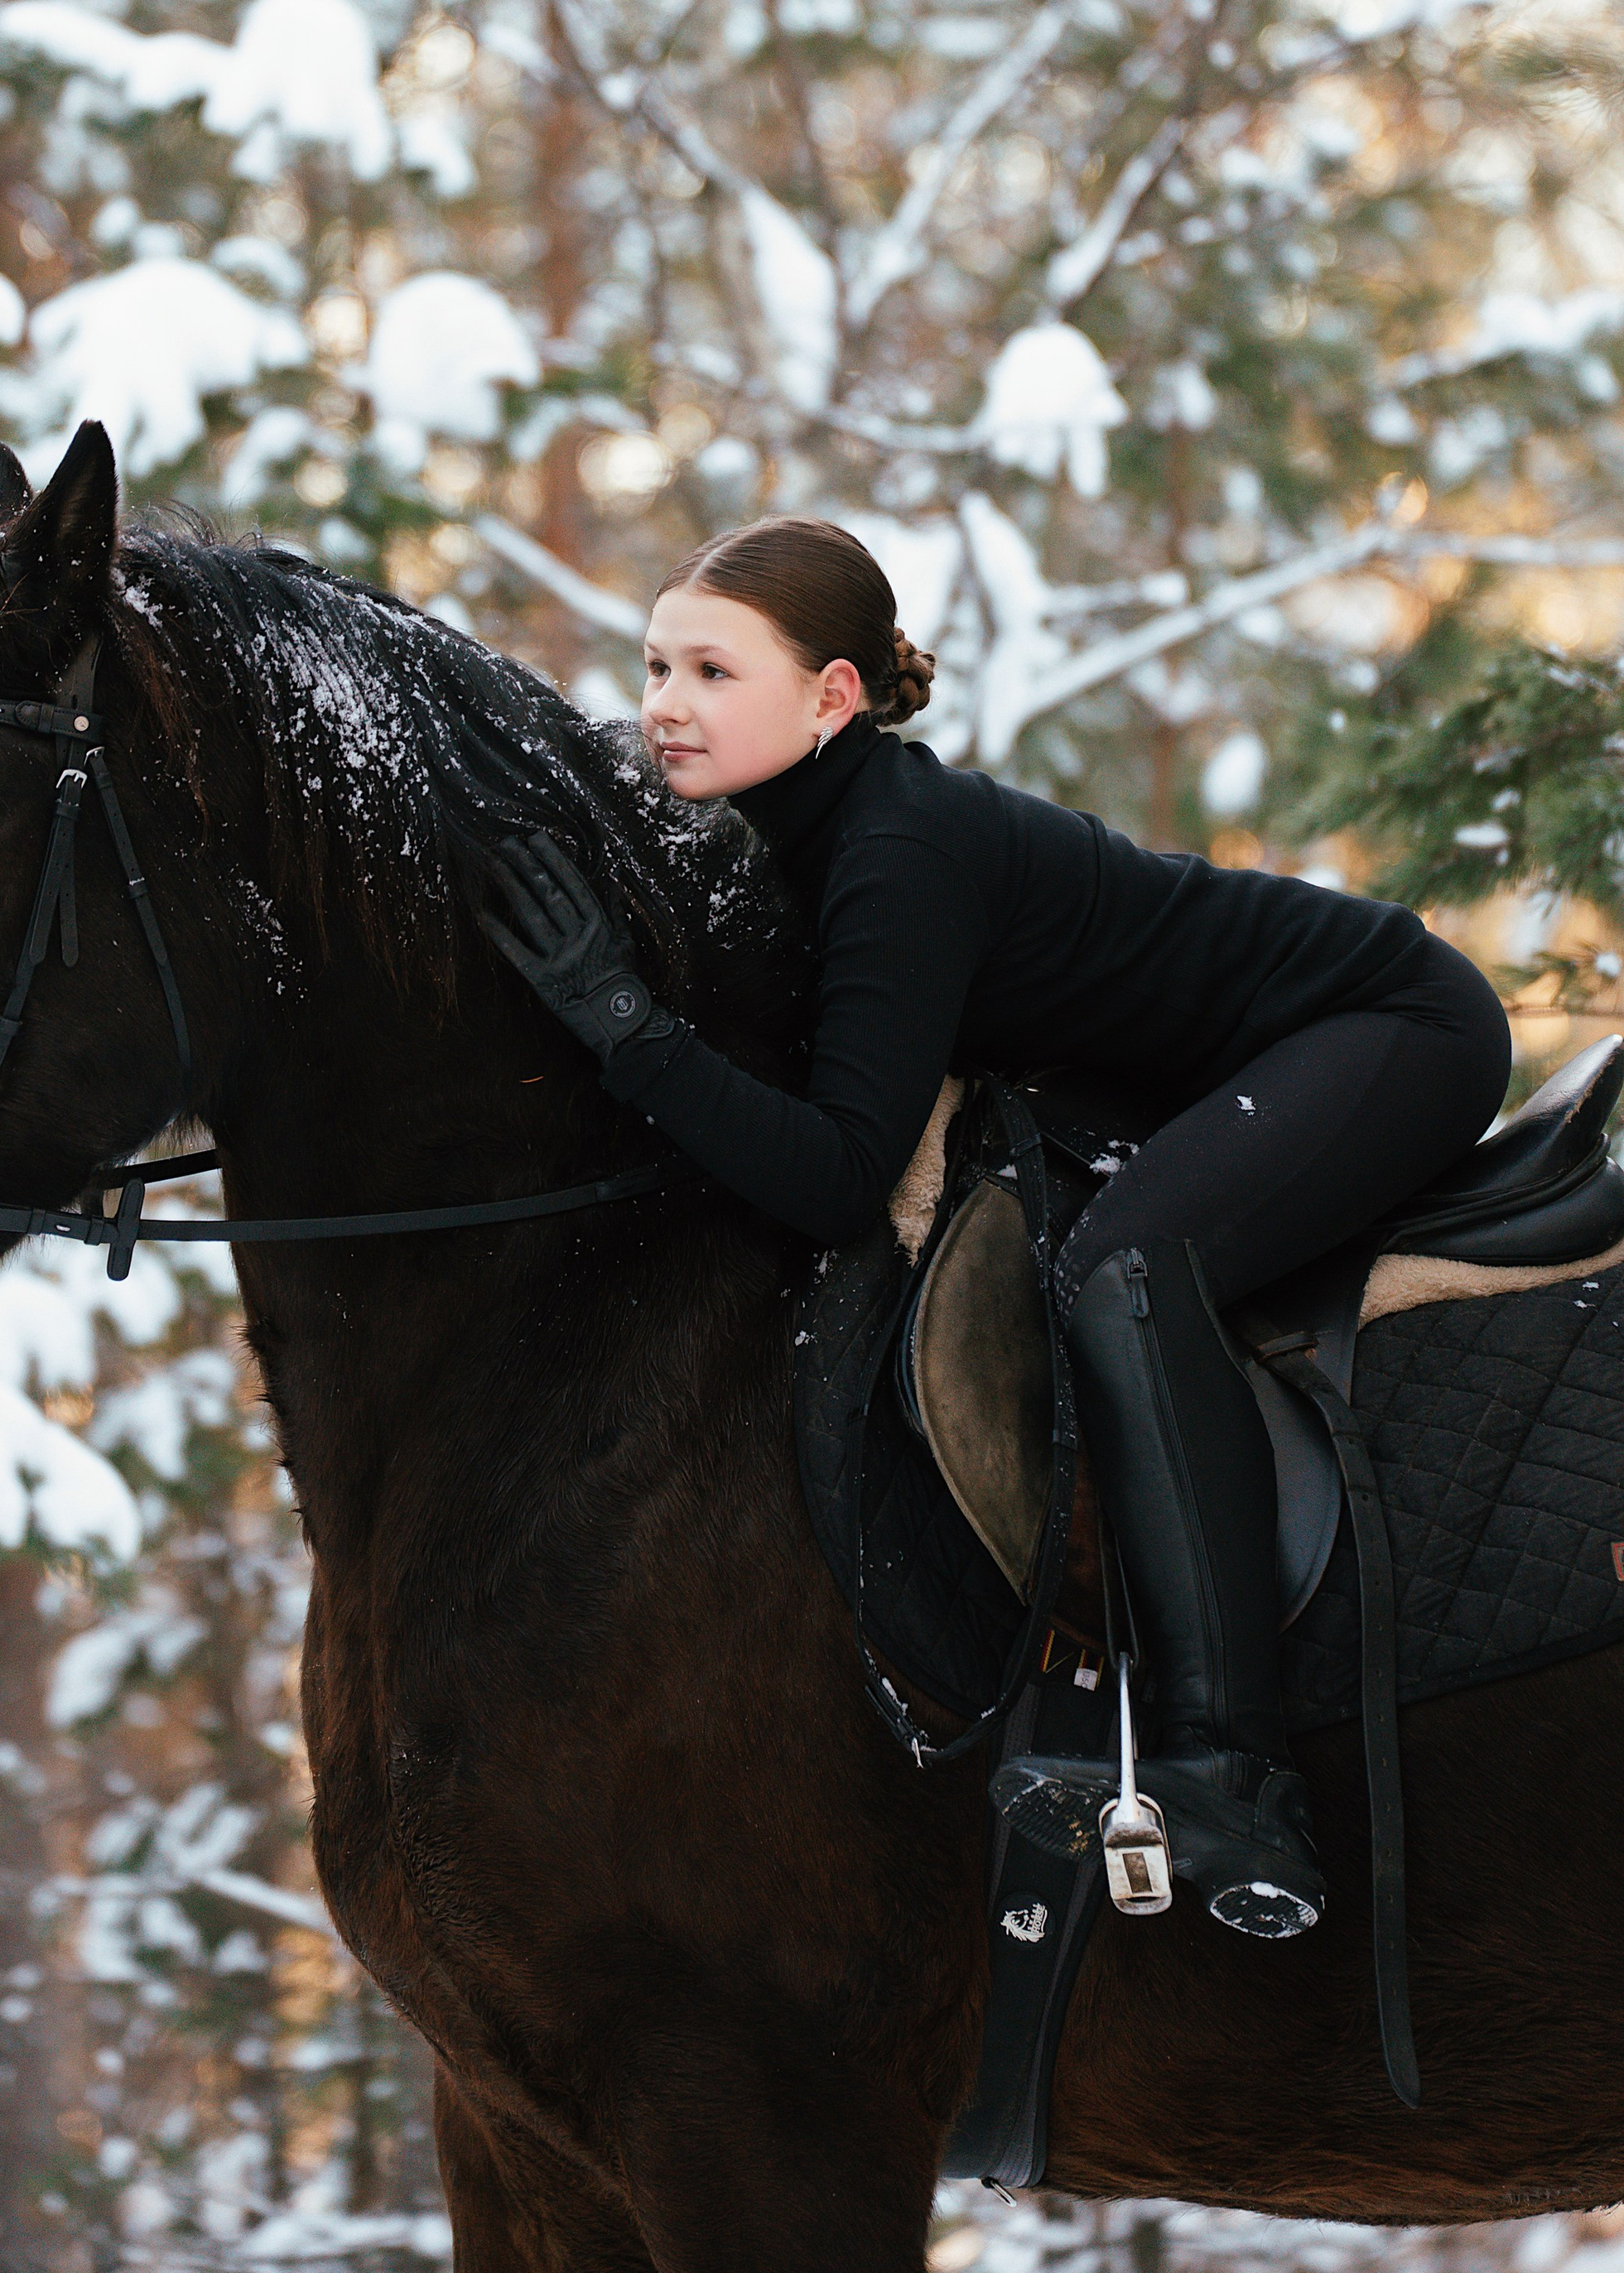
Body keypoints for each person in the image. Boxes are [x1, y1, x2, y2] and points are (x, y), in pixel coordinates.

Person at [479, 516, 1511, 1938]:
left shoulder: (899, 846)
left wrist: (626, 1033)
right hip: (1224, 1068)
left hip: (1395, 1030)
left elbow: (841, 1170)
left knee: (1123, 1277)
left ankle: (1229, 1769)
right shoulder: (809, 824)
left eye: (714, 671)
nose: (665, 702)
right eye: (657, 663)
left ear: (833, 697)